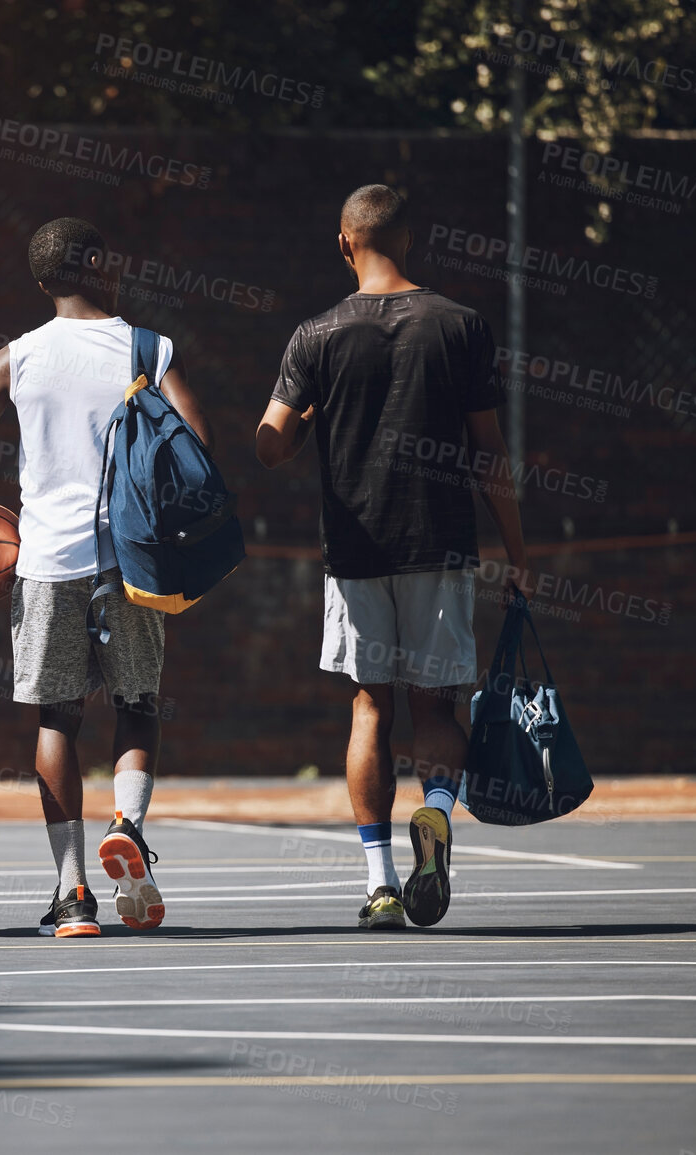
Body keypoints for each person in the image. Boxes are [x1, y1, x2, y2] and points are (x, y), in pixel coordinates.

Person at [0, 217, 213, 936]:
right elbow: (199, 445)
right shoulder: (148, 346)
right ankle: (128, 827)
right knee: (137, 704)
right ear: (100, 263)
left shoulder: (15, 358)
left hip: (45, 560)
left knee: (57, 716)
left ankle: (72, 890)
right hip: (130, 558)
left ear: (42, 281)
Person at [255, 184, 527, 930]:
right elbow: (489, 454)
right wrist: (516, 548)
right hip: (438, 543)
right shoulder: (459, 325)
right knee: (436, 703)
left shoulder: (315, 334)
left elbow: (268, 444)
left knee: (370, 704)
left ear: (345, 242)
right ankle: (435, 811)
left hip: (355, 549)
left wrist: (310, 414)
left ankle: (378, 886)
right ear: (409, 241)